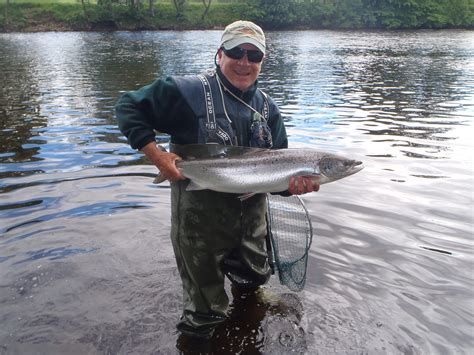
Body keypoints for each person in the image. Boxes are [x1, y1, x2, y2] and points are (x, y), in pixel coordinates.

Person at [115, 20, 320, 340]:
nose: (244, 62)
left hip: (252, 226)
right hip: (199, 227)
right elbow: (128, 107)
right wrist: (157, 156)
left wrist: (290, 187)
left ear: (262, 62)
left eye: (254, 56)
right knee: (204, 314)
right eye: (236, 51)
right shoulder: (185, 92)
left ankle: (247, 338)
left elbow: (277, 177)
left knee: (251, 289)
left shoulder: (269, 110)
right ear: (219, 53)